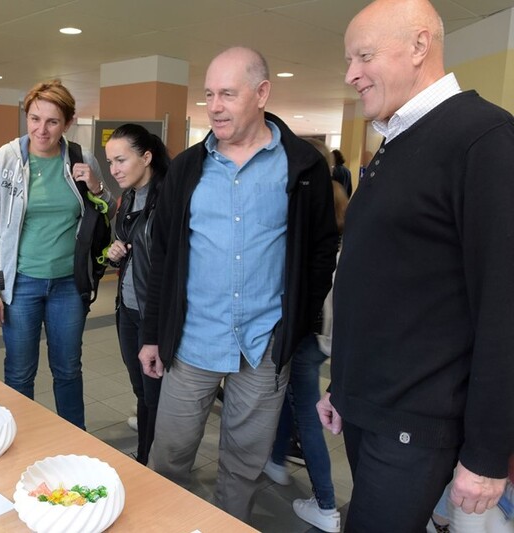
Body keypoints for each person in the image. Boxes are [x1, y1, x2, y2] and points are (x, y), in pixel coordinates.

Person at [316, 1, 514, 531]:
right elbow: (385, 285)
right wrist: (342, 386)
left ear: (420, 45)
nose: (351, 74)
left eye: (363, 56)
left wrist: (488, 453)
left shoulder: (483, 137)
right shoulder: (395, 142)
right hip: (370, 405)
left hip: (416, 420)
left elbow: (504, 306)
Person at [138, 46, 338, 524]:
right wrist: (151, 334)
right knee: (168, 459)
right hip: (192, 341)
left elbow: (320, 250)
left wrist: (296, 325)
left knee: (243, 467)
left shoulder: (302, 166)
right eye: (209, 95)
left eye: (228, 94)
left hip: (264, 345)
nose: (215, 106)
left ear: (262, 93)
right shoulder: (187, 168)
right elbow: (162, 255)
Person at [0, 80, 115, 429]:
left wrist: (97, 187)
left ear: (67, 123)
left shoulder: (81, 158)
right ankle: (18, 439)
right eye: (35, 119)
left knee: (68, 370)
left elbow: (108, 210)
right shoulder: (6, 159)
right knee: (20, 372)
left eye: (52, 121)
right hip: (21, 284)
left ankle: (76, 440)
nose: (42, 130)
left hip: (69, 284)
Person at [264, 141, 347, 533]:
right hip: (320, 335)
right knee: (290, 398)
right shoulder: (336, 197)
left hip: (306, 333)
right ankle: (276, 460)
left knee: (308, 414)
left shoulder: (308, 201)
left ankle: (326, 504)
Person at [104, 124, 171, 465]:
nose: (114, 169)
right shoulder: (128, 197)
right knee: (141, 390)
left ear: (146, 157)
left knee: (155, 394)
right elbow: (133, 246)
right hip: (127, 309)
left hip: (152, 313)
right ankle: (145, 455)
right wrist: (115, 252)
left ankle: (154, 464)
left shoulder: (169, 199)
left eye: (121, 160)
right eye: (110, 162)